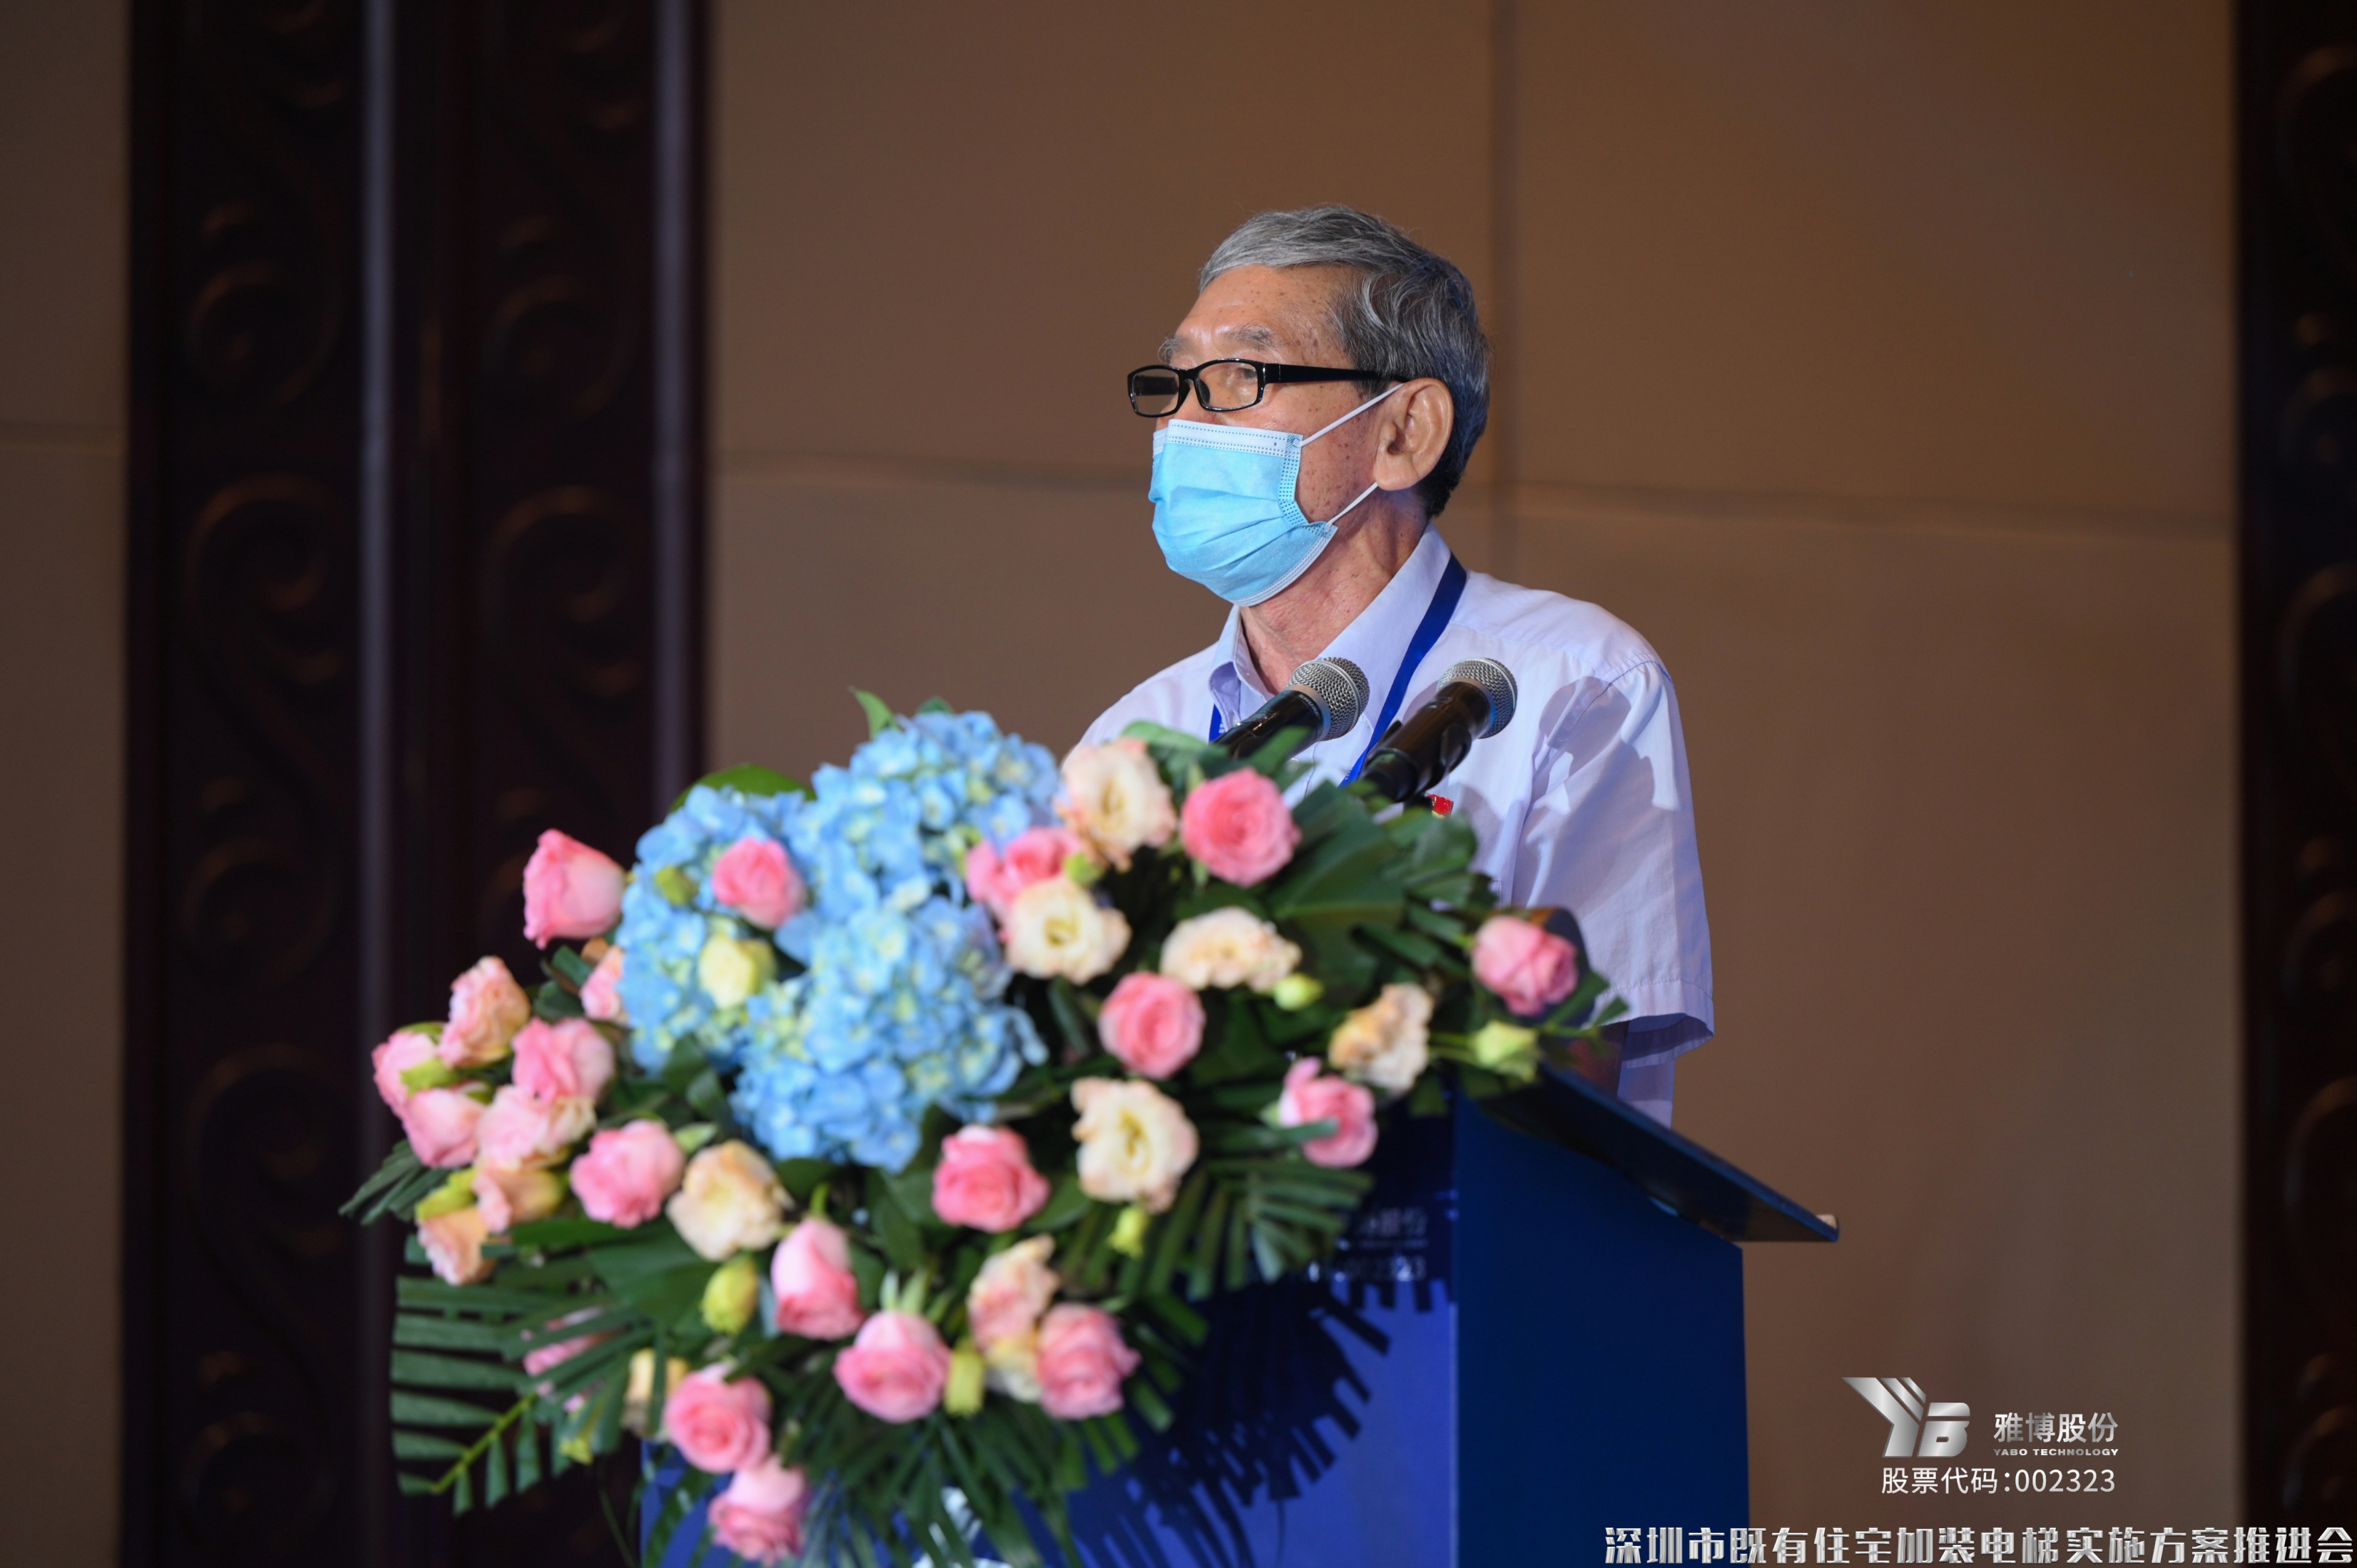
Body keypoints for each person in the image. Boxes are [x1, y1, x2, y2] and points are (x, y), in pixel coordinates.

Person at [1081, 206, 1711, 1125]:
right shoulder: (1135, 739)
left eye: (1240, 376)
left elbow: (1577, 1103)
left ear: (1404, 432)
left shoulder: (1579, 684)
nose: (1182, 420)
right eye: (1176, 380)